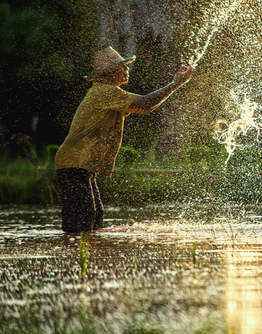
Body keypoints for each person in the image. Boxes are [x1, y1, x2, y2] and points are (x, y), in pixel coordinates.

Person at [55, 46, 194, 233]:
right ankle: (73, 254)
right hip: (74, 162)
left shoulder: (109, 93)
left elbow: (143, 106)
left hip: (81, 163)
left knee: (95, 215)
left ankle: (86, 256)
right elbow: (146, 105)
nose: (127, 70)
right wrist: (175, 84)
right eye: (123, 67)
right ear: (110, 72)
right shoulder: (104, 92)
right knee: (83, 217)